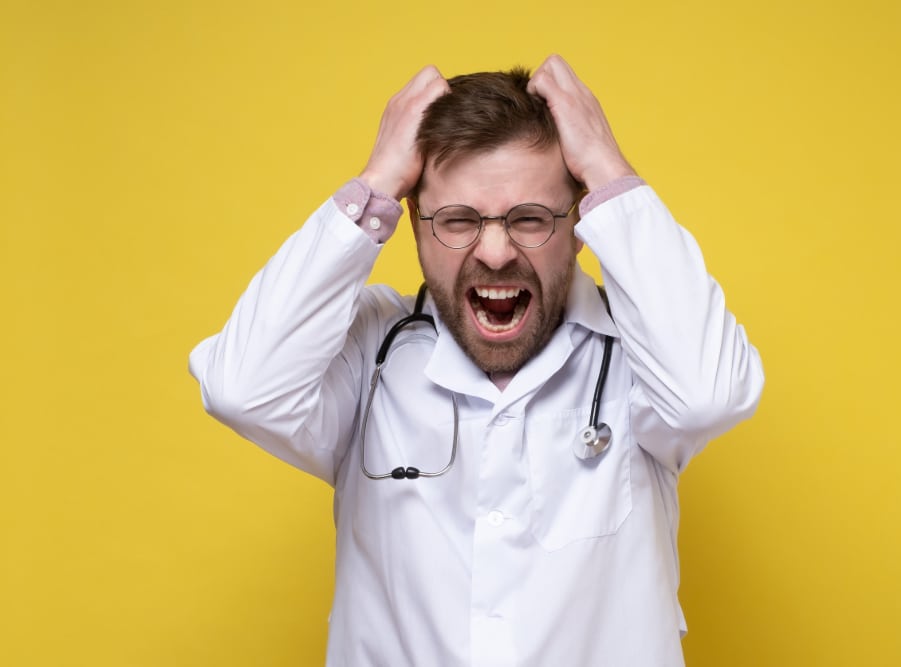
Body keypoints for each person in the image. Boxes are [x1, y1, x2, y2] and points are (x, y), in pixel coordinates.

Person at [190, 54, 764, 667]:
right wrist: (377, 182)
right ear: (412, 225)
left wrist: (607, 167)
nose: (494, 253)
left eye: (531, 218)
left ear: (578, 221)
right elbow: (241, 388)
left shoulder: (640, 356)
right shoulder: (365, 356)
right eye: (458, 220)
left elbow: (710, 394)